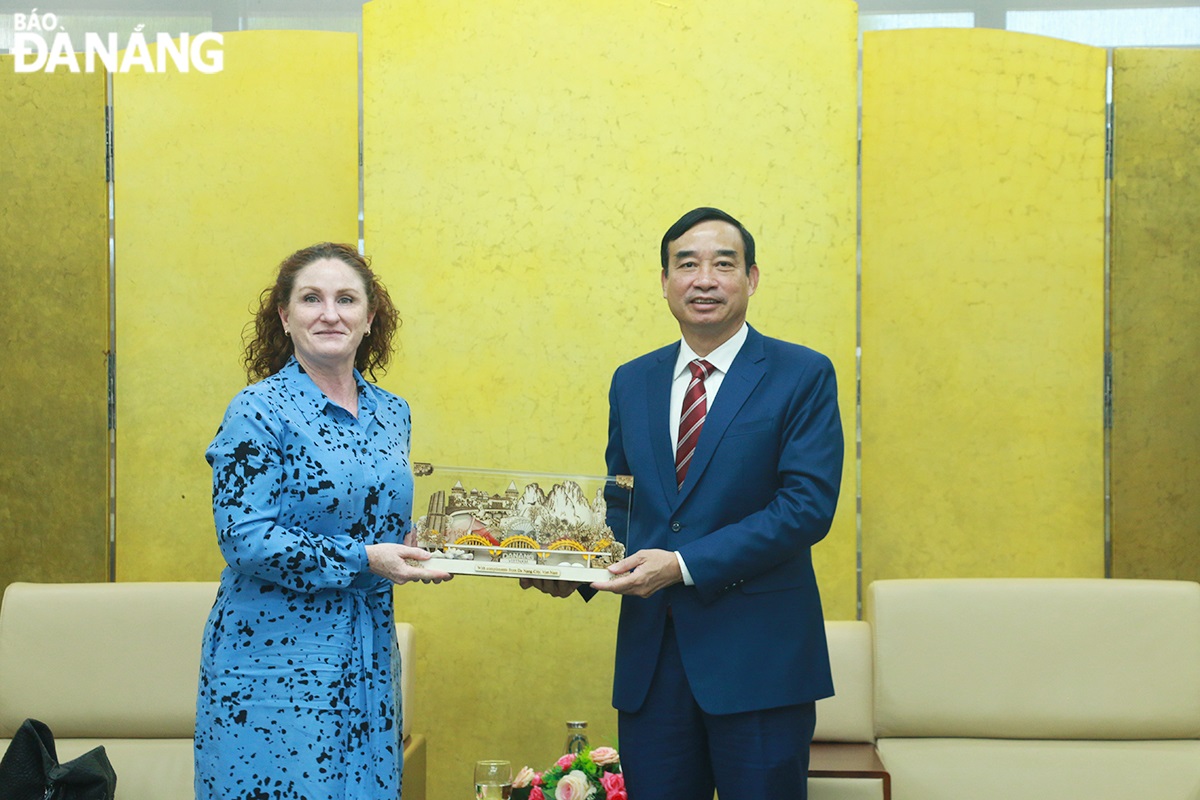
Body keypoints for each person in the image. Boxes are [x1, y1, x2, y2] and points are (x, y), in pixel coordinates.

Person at [523, 208, 844, 800]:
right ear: (665, 280)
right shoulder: (632, 380)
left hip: (760, 666)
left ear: (751, 278)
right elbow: (624, 509)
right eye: (686, 264)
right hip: (654, 664)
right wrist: (575, 570)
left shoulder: (802, 374)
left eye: (724, 264)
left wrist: (681, 565)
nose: (704, 278)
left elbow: (805, 507)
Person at [195, 242, 450, 800]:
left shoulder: (393, 412)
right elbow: (244, 538)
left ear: (370, 317)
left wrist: (422, 547)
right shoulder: (257, 410)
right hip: (272, 663)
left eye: (346, 299)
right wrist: (366, 558)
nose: (329, 313)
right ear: (284, 317)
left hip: (367, 655)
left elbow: (376, 522)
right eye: (311, 298)